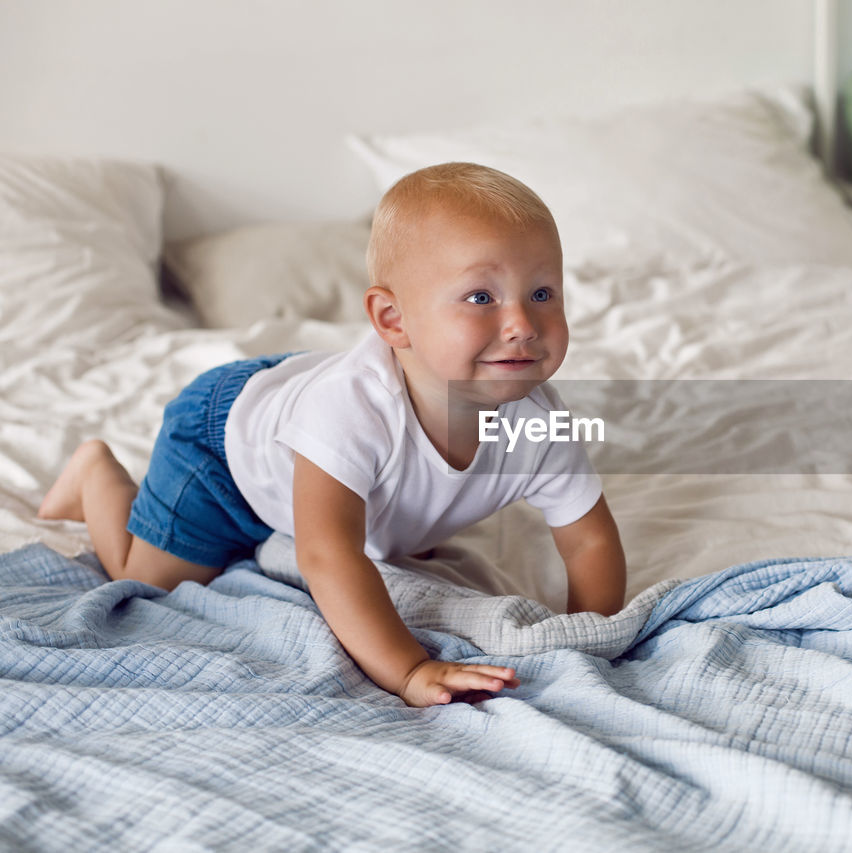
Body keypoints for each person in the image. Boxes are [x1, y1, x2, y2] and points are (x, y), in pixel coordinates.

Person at [38, 162, 627, 707]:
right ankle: (94, 474)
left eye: (543, 293)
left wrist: (588, 641)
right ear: (393, 321)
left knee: (368, 506)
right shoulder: (351, 413)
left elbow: (589, 542)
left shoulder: (538, 420)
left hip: (303, 395)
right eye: (481, 297)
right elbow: (327, 555)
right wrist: (409, 670)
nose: (523, 325)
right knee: (148, 583)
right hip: (224, 448)